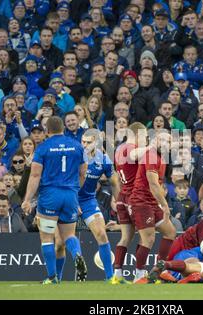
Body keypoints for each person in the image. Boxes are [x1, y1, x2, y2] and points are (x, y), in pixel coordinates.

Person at [21, 116, 88, 284]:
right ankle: (77, 254)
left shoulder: (42, 148)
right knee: (69, 236)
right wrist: (74, 190)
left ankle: (52, 277)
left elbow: (35, 175)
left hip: (50, 197)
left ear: (47, 131)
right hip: (70, 196)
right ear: (63, 128)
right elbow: (83, 174)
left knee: (47, 237)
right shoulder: (77, 146)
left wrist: (27, 199)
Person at [128, 129, 177, 283]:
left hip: (151, 202)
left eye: (168, 142)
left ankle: (159, 270)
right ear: (155, 141)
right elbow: (153, 185)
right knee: (148, 239)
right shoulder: (151, 155)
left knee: (170, 231)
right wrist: (165, 206)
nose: (166, 144)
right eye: (163, 140)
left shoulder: (161, 158)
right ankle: (139, 275)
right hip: (141, 201)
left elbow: (158, 185)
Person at [110, 122, 149, 284]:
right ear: (137, 134)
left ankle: (117, 274)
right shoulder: (130, 149)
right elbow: (134, 155)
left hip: (123, 196)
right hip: (134, 197)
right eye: (145, 136)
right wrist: (152, 147)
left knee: (125, 237)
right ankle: (140, 273)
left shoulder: (118, 149)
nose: (145, 140)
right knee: (147, 236)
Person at [78, 130, 119, 281]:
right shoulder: (75, 155)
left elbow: (114, 182)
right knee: (59, 242)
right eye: (83, 141)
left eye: (88, 142)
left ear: (96, 142)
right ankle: (54, 277)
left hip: (88, 200)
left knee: (102, 234)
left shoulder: (104, 159)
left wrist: (118, 201)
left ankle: (110, 277)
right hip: (69, 198)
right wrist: (73, 202)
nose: (85, 145)